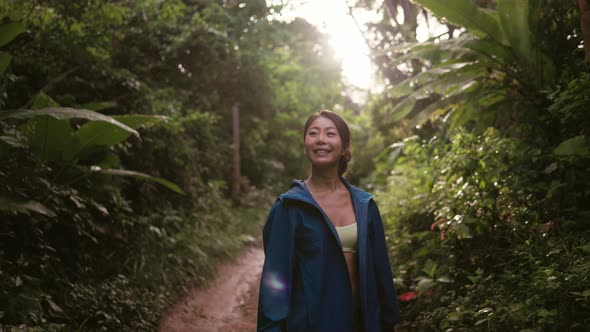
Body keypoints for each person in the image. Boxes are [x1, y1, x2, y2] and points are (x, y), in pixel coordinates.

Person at [257, 110, 400, 332]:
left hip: (362, 323)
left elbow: (381, 273)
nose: (321, 139)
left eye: (330, 133)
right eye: (313, 133)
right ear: (305, 144)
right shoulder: (289, 208)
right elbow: (274, 285)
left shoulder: (365, 206)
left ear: (344, 148)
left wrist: (388, 322)